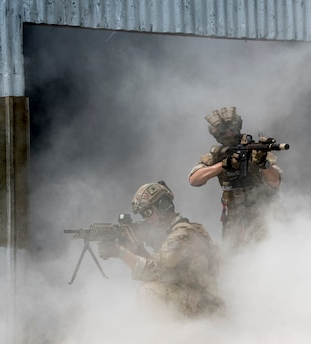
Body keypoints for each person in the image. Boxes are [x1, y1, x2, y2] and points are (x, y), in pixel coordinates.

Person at [97, 181, 225, 320]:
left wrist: (119, 252)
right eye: (143, 215)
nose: (146, 220)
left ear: (163, 206)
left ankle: (173, 338)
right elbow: (165, 271)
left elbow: (156, 271)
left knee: (149, 292)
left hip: (206, 305)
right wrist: (137, 249)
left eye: (148, 212)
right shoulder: (177, 232)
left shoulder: (182, 235)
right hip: (198, 299)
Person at [188, 106, 284, 247]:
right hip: (236, 220)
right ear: (217, 136)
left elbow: (275, 182)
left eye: (231, 130)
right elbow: (194, 179)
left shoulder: (255, 151)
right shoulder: (216, 156)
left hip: (264, 215)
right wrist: (223, 164)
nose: (228, 134)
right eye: (223, 133)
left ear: (238, 128)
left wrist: (262, 163)